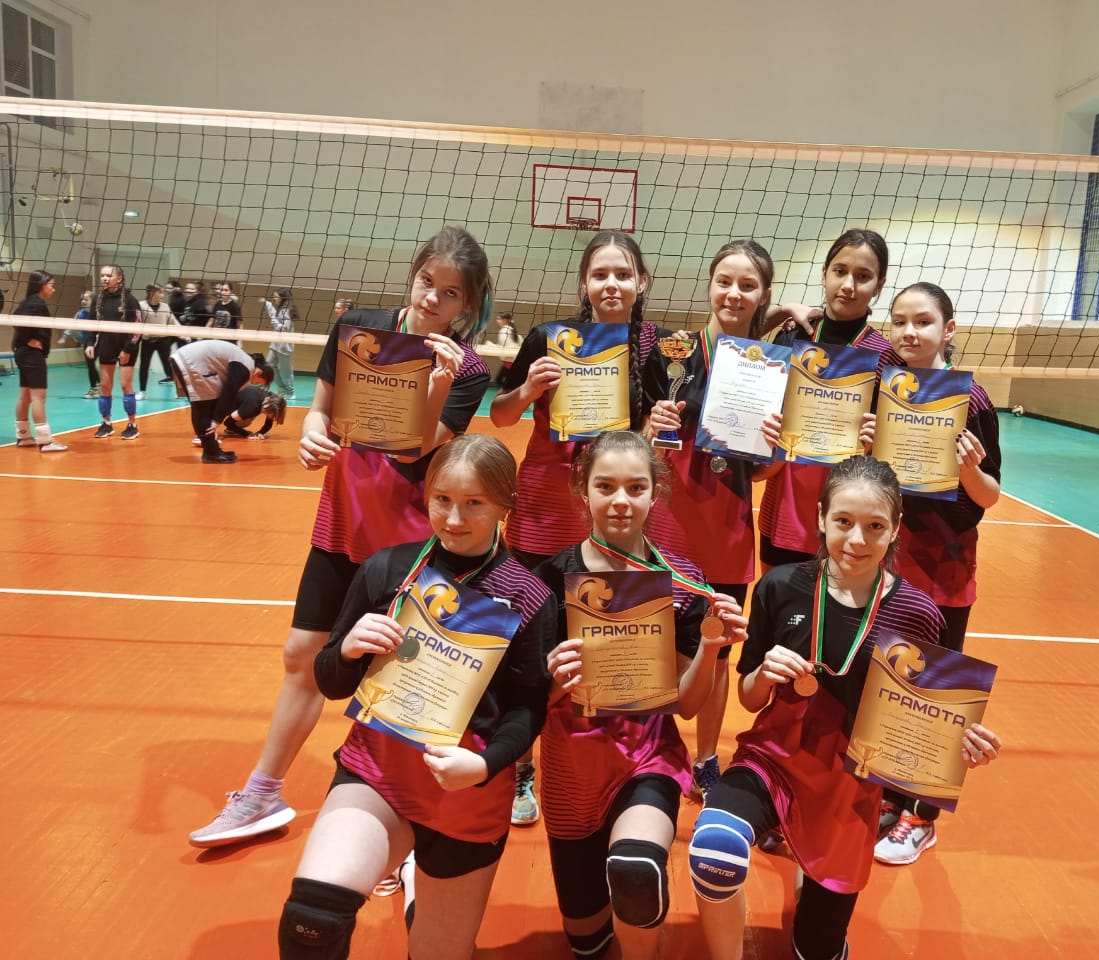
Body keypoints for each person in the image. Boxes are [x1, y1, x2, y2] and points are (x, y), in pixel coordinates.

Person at [190, 225, 495, 846]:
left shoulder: (466, 367)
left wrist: (438, 381)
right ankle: (263, 793)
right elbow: (321, 409)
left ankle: (410, 822)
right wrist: (311, 434)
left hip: (406, 537)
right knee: (302, 654)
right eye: (426, 282)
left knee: (405, 677)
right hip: (342, 519)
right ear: (413, 275)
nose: (432, 298)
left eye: (450, 293)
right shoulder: (358, 330)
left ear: (468, 303)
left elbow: (417, 448)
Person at [687, 456, 1003, 960]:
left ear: (895, 528)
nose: (857, 539)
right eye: (843, 521)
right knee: (713, 850)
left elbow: (926, 726)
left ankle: (813, 895)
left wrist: (961, 746)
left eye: (874, 526)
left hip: (851, 787)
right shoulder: (779, 587)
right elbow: (749, 698)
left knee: (816, 949)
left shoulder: (918, 613)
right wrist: (762, 673)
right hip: (773, 760)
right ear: (821, 518)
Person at [278, 434, 557, 960]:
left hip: (466, 793)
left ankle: (415, 887)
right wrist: (348, 650)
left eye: (474, 503)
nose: (454, 518)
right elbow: (331, 682)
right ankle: (404, 869)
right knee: (311, 921)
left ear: (506, 504)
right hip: (378, 775)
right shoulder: (386, 568)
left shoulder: (529, 595)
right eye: (442, 499)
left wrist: (485, 764)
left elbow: (528, 706)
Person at [536, 431, 747, 960]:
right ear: (582, 489)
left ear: (656, 493)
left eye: (636, 487)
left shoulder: (683, 582)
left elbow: (687, 705)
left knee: (636, 872)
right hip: (570, 770)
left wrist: (710, 648)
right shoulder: (548, 579)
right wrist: (553, 680)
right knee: (586, 944)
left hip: (646, 757)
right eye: (605, 486)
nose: (621, 501)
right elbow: (525, 702)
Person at [489, 230, 663, 826]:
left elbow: (650, 434)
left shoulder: (652, 346)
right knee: (526, 640)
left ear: (640, 283)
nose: (611, 284)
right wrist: (528, 388)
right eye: (600, 274)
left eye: (623, 274)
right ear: (585, 284)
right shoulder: (548, 337)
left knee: (601, 636)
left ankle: (610, 760)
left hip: (608, 507)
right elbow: (501, 415)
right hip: (544, 502)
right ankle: (520, 766)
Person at [858, 282, 1002, 866]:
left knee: (936, 690)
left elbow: (989, 497)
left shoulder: (973, 400)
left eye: (922, 321)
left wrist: (968, 470)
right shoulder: (884, 389)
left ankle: (921, 816)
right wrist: (865, 447)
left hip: (944, 567)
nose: (909, 332)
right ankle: (888, 797)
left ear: (949, 329)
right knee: (886, 682)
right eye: (899, 322)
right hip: (887, 564)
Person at [642, 239, 781, 802]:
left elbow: (764, 470)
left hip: (726, 526)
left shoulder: (770, 366)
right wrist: (650, 426)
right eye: (725, 281)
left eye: (748, 285)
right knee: (651, 641)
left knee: (716, 651)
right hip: (666, 522)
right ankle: (650, 745)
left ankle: (705, 759)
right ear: (709, 284)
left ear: (762, 295)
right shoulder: (670, 350)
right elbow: (638, 444)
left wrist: (775, 448)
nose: (734, 293)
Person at [757, 228, 902, 569]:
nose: (848, 285)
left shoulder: (886, 357)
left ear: (879, 285)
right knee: (777, 596)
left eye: (863, 276)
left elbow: (893, 452)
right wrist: (784, 310)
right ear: (825, 273)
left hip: (851, 515)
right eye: (840, 271)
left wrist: (877, 441)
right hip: (785, 504)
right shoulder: (793, 336)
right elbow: (739, 339)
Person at [169, 339, 274, 463]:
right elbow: (228, 392)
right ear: (259, 373)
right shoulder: (246, 368)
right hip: (193, 361)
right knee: (203, 407)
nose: (254, 384)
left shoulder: (245, 362)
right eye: (259, 382)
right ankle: (211, 453)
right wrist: (216, 421)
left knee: (205, 406)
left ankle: (211, 449)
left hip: (188, 358)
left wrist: (216, 419)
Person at [11, 270, 68, 452]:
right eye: (51, 285)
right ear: (41, 285)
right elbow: (18, 323)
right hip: (31, 355)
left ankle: (23, 436)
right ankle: (45, 441)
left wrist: (22, 341)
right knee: (38, 397)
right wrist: (28, 339)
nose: (53, 289)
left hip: (23, 353)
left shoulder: (28, 302)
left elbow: (15, 318)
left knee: (25, 396)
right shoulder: (36, 303)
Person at [85, 264, 144, 440]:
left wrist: (128, 349)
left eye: (108, 275)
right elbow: (92, 323)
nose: (104, 278)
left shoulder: (130, 300)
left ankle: (132, 424)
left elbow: (138, 327)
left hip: (127, 345)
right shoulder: (98, 299)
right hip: (106, 344)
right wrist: (90, 342)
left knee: (126, 385)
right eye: (102, 275)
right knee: (105, 386)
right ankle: (106, 423)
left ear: (119, 278)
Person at [138, 282, 181, 398]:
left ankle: (180, 391)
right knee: (144, 366)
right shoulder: (141, 305)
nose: (162, 294)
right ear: (152, 293)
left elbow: (173, 321)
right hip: (148, 341)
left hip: (163, 340)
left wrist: (184, 334)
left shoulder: (165, 306)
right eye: (160, 292)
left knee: (169, 365)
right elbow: (136, 321)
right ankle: (142, 391)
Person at [262, 287, 298, 398]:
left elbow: (285, 328)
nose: (274, 298)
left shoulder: (286, 310)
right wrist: (267, 304)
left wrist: (274, 322)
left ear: (282, 298)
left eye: (276, 297)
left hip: (284, 346)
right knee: (269, 365)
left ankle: (290, 392)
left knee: (285, 371)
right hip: (276, 343)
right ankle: (282, 389)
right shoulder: (281, 309)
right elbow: (274, 315)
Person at [222, 385, 287, 439]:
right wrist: (246, 434)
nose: (271, 417)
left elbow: (268, 424)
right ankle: (231, 428)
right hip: (221, 403)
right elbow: (227, 422)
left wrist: (260, 433)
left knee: (249, 415)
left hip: (232, 396)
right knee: (247, 420)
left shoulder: (269, 398)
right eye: (271, 415)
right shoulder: (252, 406)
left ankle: (232, 428)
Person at [70, 291, 100, 398]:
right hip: (87, 343)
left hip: (98, 343)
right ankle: (97, 387)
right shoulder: (80, 314)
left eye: (86, 299)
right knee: (90, 365)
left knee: (93, 365)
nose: (83, 301)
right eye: (82, 299)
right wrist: (79, 339)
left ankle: (96, 388)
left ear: (93, 300)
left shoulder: (98, 313)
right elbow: (73, 328)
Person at [490, 310, 520, 383]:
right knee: (502, 381)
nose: (497, 321)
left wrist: (491, 346)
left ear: (505, 320)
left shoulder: (504, 331)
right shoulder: (513, 330)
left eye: (499, 319)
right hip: (515, 362)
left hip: (510, 362)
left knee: (499, 381)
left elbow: (504, 347)